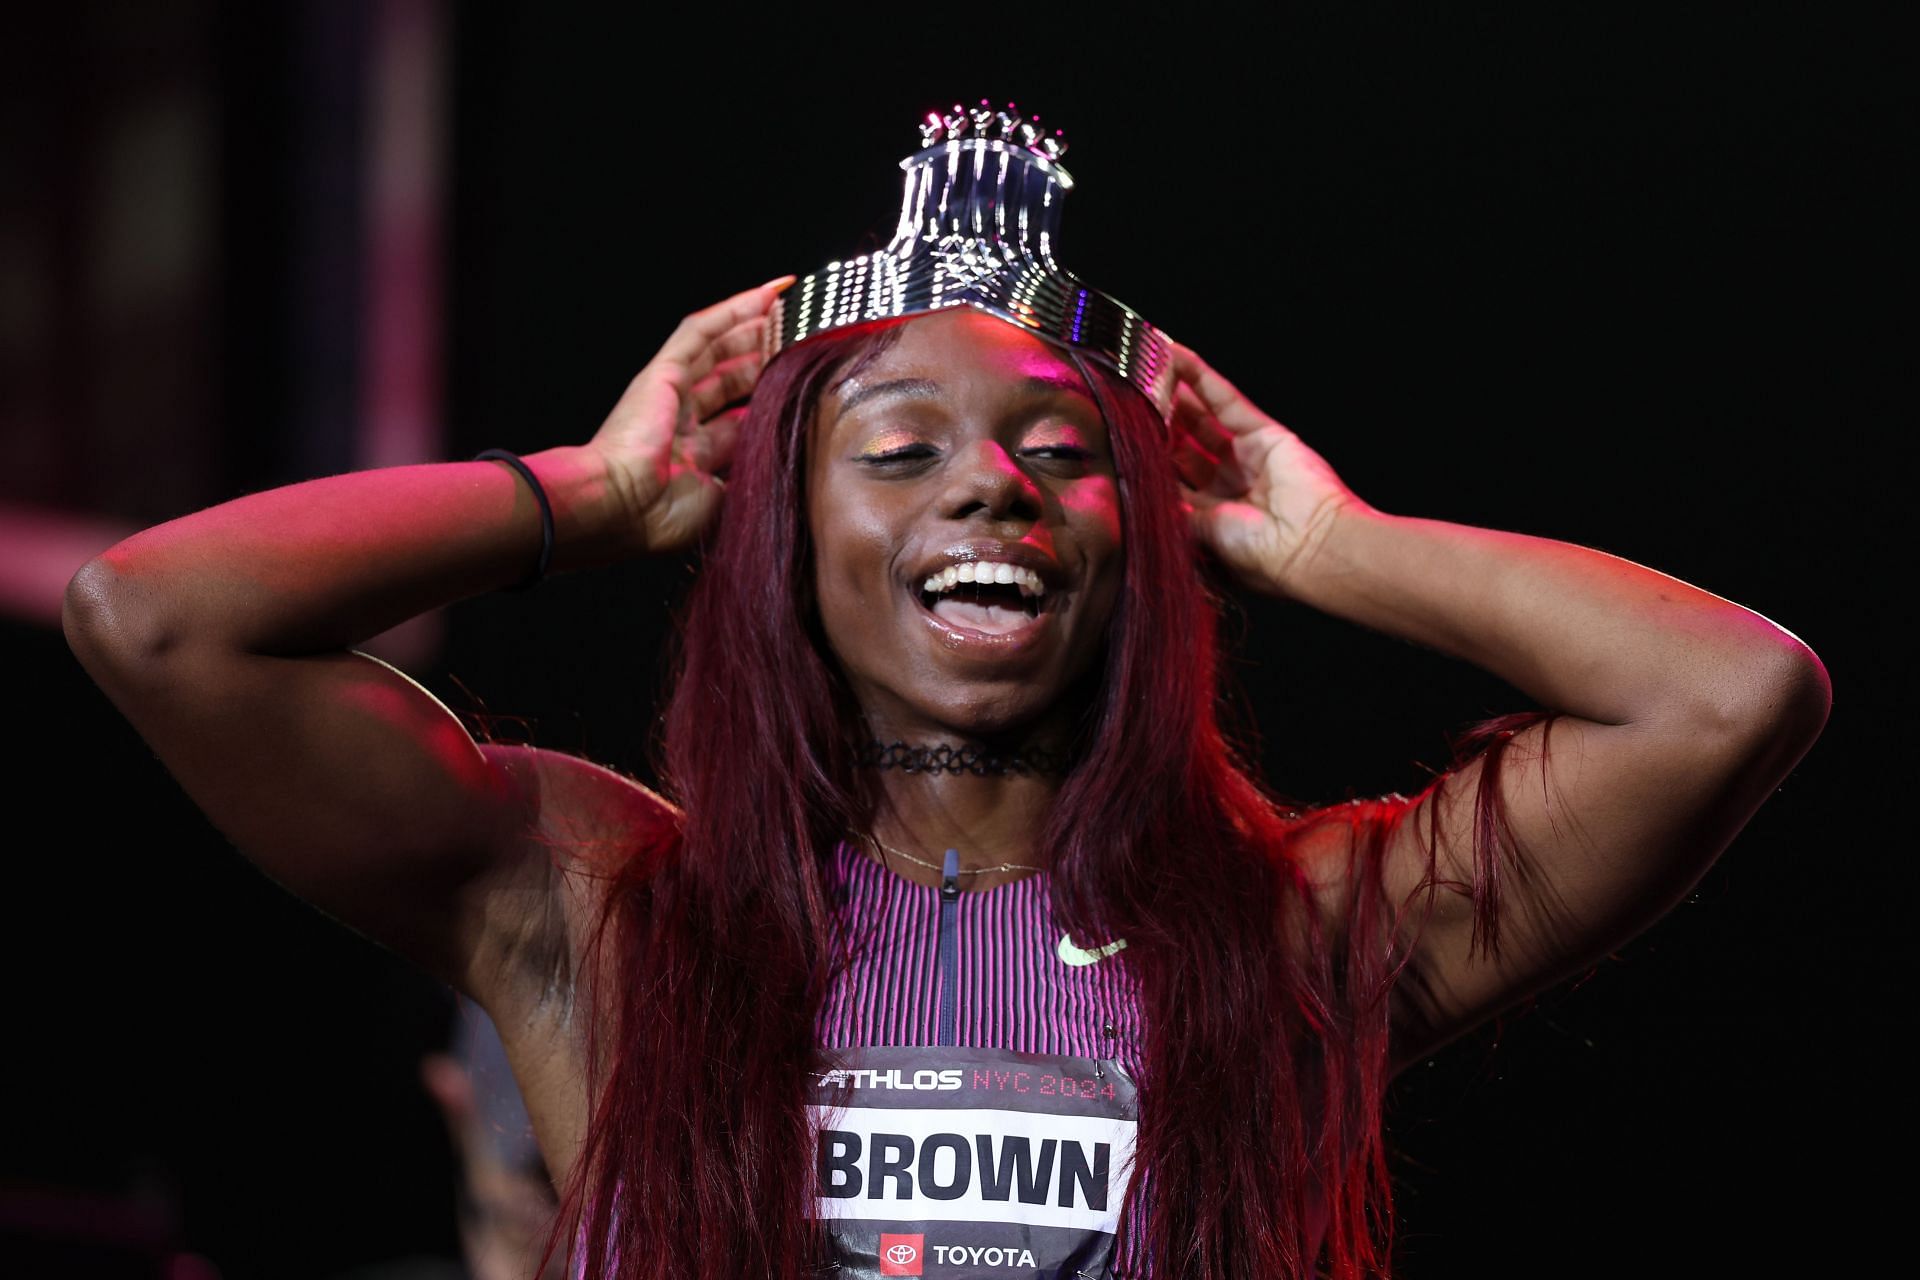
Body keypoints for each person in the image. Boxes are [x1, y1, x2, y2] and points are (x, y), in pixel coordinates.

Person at [62, 104, 1830, 1279]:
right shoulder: (596, 910)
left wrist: (1323, 538)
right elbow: (157, 617)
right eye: (898, 451)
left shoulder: (1294, 941)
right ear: (784, 542)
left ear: (1143, 543)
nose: (988, 488)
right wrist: (589, 496)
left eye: (1064, 458)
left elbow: (1726, 693)